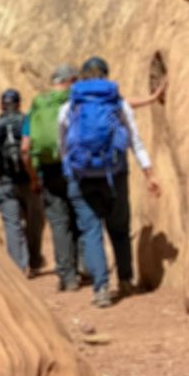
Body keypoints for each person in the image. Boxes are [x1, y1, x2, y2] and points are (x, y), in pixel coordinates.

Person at [60, 56, 163, 308]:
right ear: (106, 76)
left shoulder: (70, 106)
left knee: (91, 232)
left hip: (82, 176)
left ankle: (101, 289)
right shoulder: (117, 103)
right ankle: (126, 280)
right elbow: (134, 141)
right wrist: (149, 174)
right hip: (115, 174)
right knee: (119, 229)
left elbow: (63, 144)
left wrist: (69, 172)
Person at [23, 63, 81, 291]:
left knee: (58, 223)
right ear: (70, 82)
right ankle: (81, 268)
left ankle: (66, 277)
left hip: (47, 169)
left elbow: (25, 148)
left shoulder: (37, 106)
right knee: (77, 216)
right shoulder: (73, 101)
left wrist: (34, 177)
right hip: (73, 167)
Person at [0, 88, 38, 275]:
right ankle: (34, 262)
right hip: (29, 181)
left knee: (12, 225)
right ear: (19, 104)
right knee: (34, 221)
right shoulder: (28, 123)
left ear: (2, 106)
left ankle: (19, 268)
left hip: (5, 182)